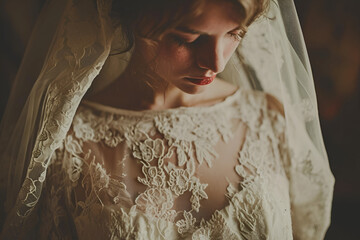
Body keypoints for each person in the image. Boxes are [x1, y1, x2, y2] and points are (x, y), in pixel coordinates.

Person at [0, 0, 335, 239]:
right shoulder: (67, 145)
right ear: (131, 17)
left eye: (235, 33)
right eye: (187, 38)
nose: (215, 62)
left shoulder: (266, 118)